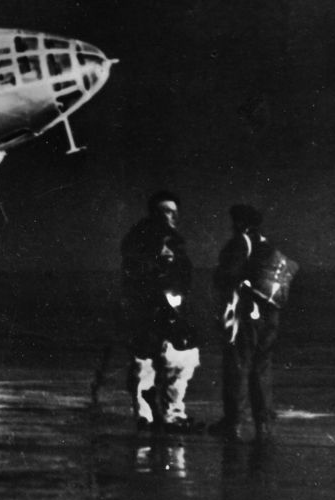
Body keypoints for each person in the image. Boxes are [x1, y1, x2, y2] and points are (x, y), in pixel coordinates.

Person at [119, 190, 199, 432]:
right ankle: (148, 415)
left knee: (176, 363)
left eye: (173, 212)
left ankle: (170, 414)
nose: (170, 216)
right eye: (165, 211)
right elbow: (134, 275)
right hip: (147, 310)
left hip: (168, 312)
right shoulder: (139, 241)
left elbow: (184, 275)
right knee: (145, 364)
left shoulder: (174, 242)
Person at [211, 204, 288, 443]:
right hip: (270, 315)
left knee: (237, 365)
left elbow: (226, 276)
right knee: (262, 367)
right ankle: (264, 424)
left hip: (246, 314)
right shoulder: (268, 246)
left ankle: (233, 423)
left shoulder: (240, 243)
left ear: (239, 222)